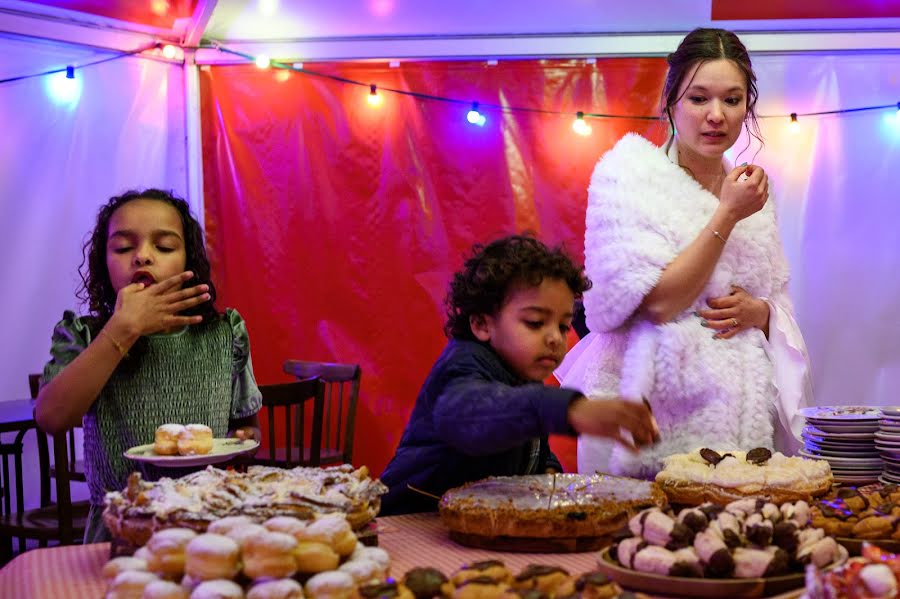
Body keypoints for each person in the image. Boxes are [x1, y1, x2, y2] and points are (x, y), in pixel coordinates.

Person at [556, 28, 812, 479]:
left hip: (738, 417)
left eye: (732, 100)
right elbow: (655, 303)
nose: (716, 116)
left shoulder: (753, 193)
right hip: (641, 408)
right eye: (699, 98)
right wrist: (726, 215)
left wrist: (762, 313)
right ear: (671, 101)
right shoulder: (629, 176)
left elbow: (777, 299)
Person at [34, 189, 262, 543]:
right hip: (119, 530)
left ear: (188, 260)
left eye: (165, 247)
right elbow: (52, 417)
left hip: (204, 523)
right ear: (102, 262)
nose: (142, 257)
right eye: (124, 248)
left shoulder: (222, 333)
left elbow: (246, 428)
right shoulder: (85, 334)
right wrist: (123, 330)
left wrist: (247, 439)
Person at [379, 234, 659, 515]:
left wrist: (549, 473)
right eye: (535, 323)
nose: (555, 338)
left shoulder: (521, 371)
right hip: (412, 523)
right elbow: (470, 414)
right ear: (481, 324)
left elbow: (527, 443)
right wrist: (570, 409)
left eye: (563, 326)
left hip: (478, 525)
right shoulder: (463, 366)